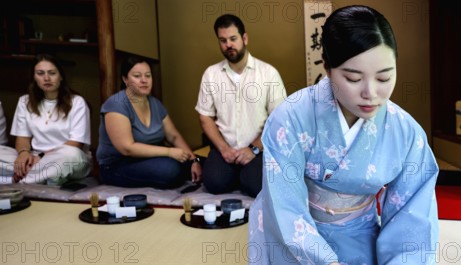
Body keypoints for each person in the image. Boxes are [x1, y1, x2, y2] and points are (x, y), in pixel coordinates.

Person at [248, 6, 439, 265]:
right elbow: (283, 207)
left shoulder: (404, 130)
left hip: (360, 228)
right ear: (327, 69)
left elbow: (413, 205)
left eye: (385, 77)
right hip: (300, 231)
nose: (371, 93)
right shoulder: (290, 117)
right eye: (353, 78)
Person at [196, 14, 286, 197]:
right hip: (224, 149)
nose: (228, 45)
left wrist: (253, 149)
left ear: (244, 38)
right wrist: (223, 149)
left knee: (255, 186)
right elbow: (205, 116)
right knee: (214, 183)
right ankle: (233, 173)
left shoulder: (268, 73)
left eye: (233, 39)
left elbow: (280, 119)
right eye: (223, 40)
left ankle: (245, 174)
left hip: (258, 149)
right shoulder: (211, 74)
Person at [97, 56, 201, 189]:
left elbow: (173, 136)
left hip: (149, 160)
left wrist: (193, 160)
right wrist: (169, 152)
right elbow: (127, 148)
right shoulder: (116, 104)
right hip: (116, 165)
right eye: (137, 76)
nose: (144, 80)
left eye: (148, 75)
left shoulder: (155, 104)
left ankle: (184, 172)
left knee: (199, 163)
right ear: (125, 79)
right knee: (170, 169)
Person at [0, 54, 92, 184]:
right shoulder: (25, 101)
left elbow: (76, 143)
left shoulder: (77, 102)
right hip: (34, 158)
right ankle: (36, 176)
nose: (47, 78)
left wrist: (41, 157)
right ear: (34, 77)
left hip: (66, 158)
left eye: (52, 73)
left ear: (61, 77)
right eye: (40, 73)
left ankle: (20, 181)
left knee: (70, 155)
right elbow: (22, 138)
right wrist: (23, 154)